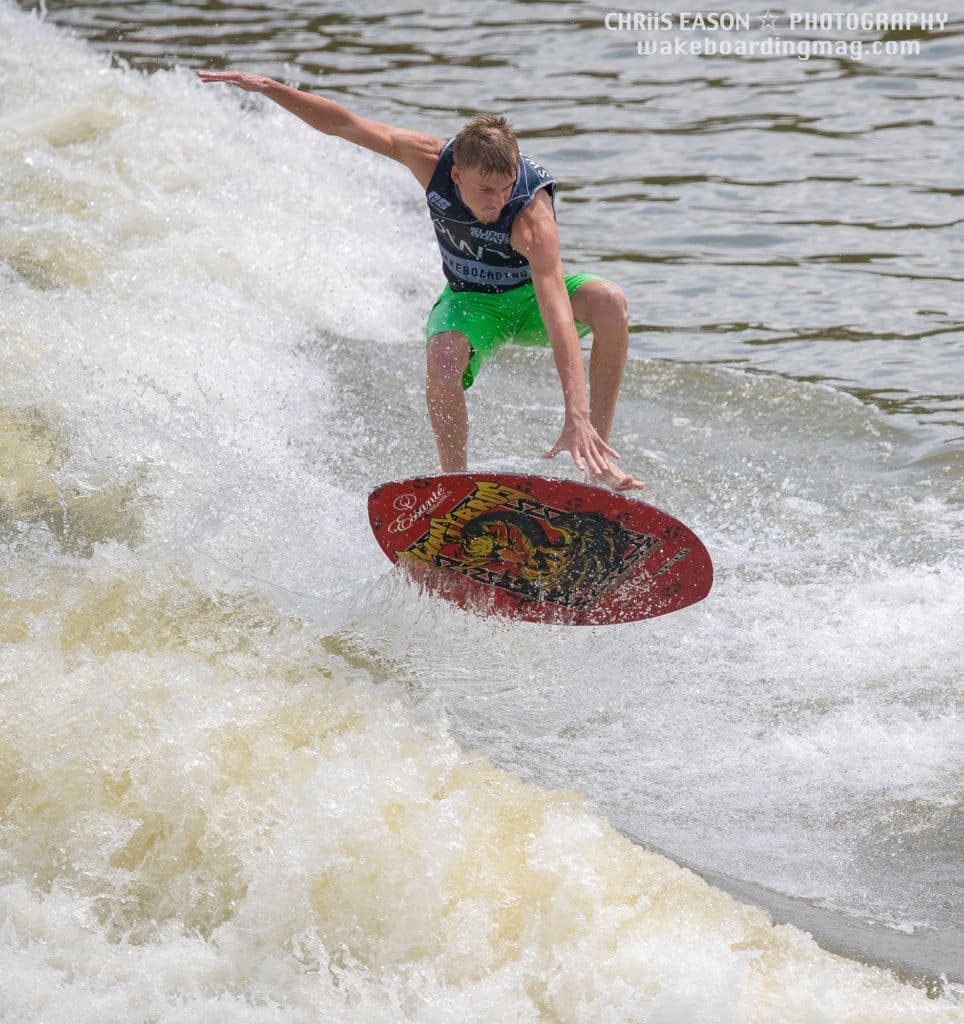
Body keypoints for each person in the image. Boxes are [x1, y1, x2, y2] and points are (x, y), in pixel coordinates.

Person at [196, 70, 642, 490]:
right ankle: (456, 485)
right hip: (472, 304)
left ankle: (597, 460)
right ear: (456, 174)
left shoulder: (530, 216)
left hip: (529, 302)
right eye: (485, 191)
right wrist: (271, 88)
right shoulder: (427, 159)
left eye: (505, 187)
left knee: (608, 301)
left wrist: (575, 414)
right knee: (443, 356)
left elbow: (557, 311)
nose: (497, 200)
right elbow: (343, 124)